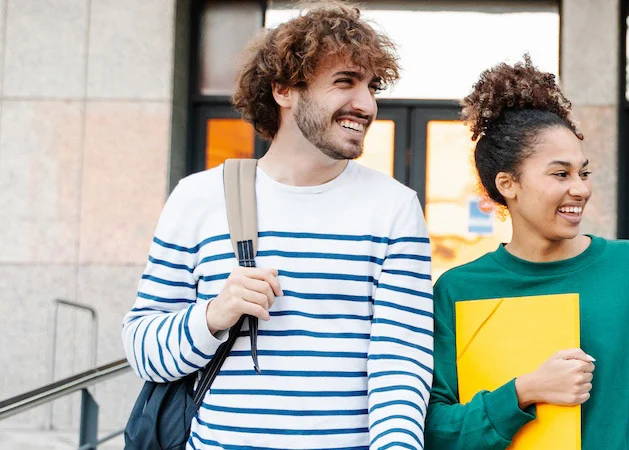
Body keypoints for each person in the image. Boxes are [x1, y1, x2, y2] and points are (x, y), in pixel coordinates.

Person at [122, 1, 434, 448]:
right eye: (345, 82)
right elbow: (142, 352)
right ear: (285, 90)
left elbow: (400, 365)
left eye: (371, 86)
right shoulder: (197, 198)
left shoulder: (394, 208)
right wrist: (212, 316)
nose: (366, 104)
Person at [425, 56, 629, 450]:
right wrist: (524, 392)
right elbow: (436, 430)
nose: (579, 189)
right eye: (560, 174)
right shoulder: (458, 289)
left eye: (583, 173)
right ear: (508, 184)